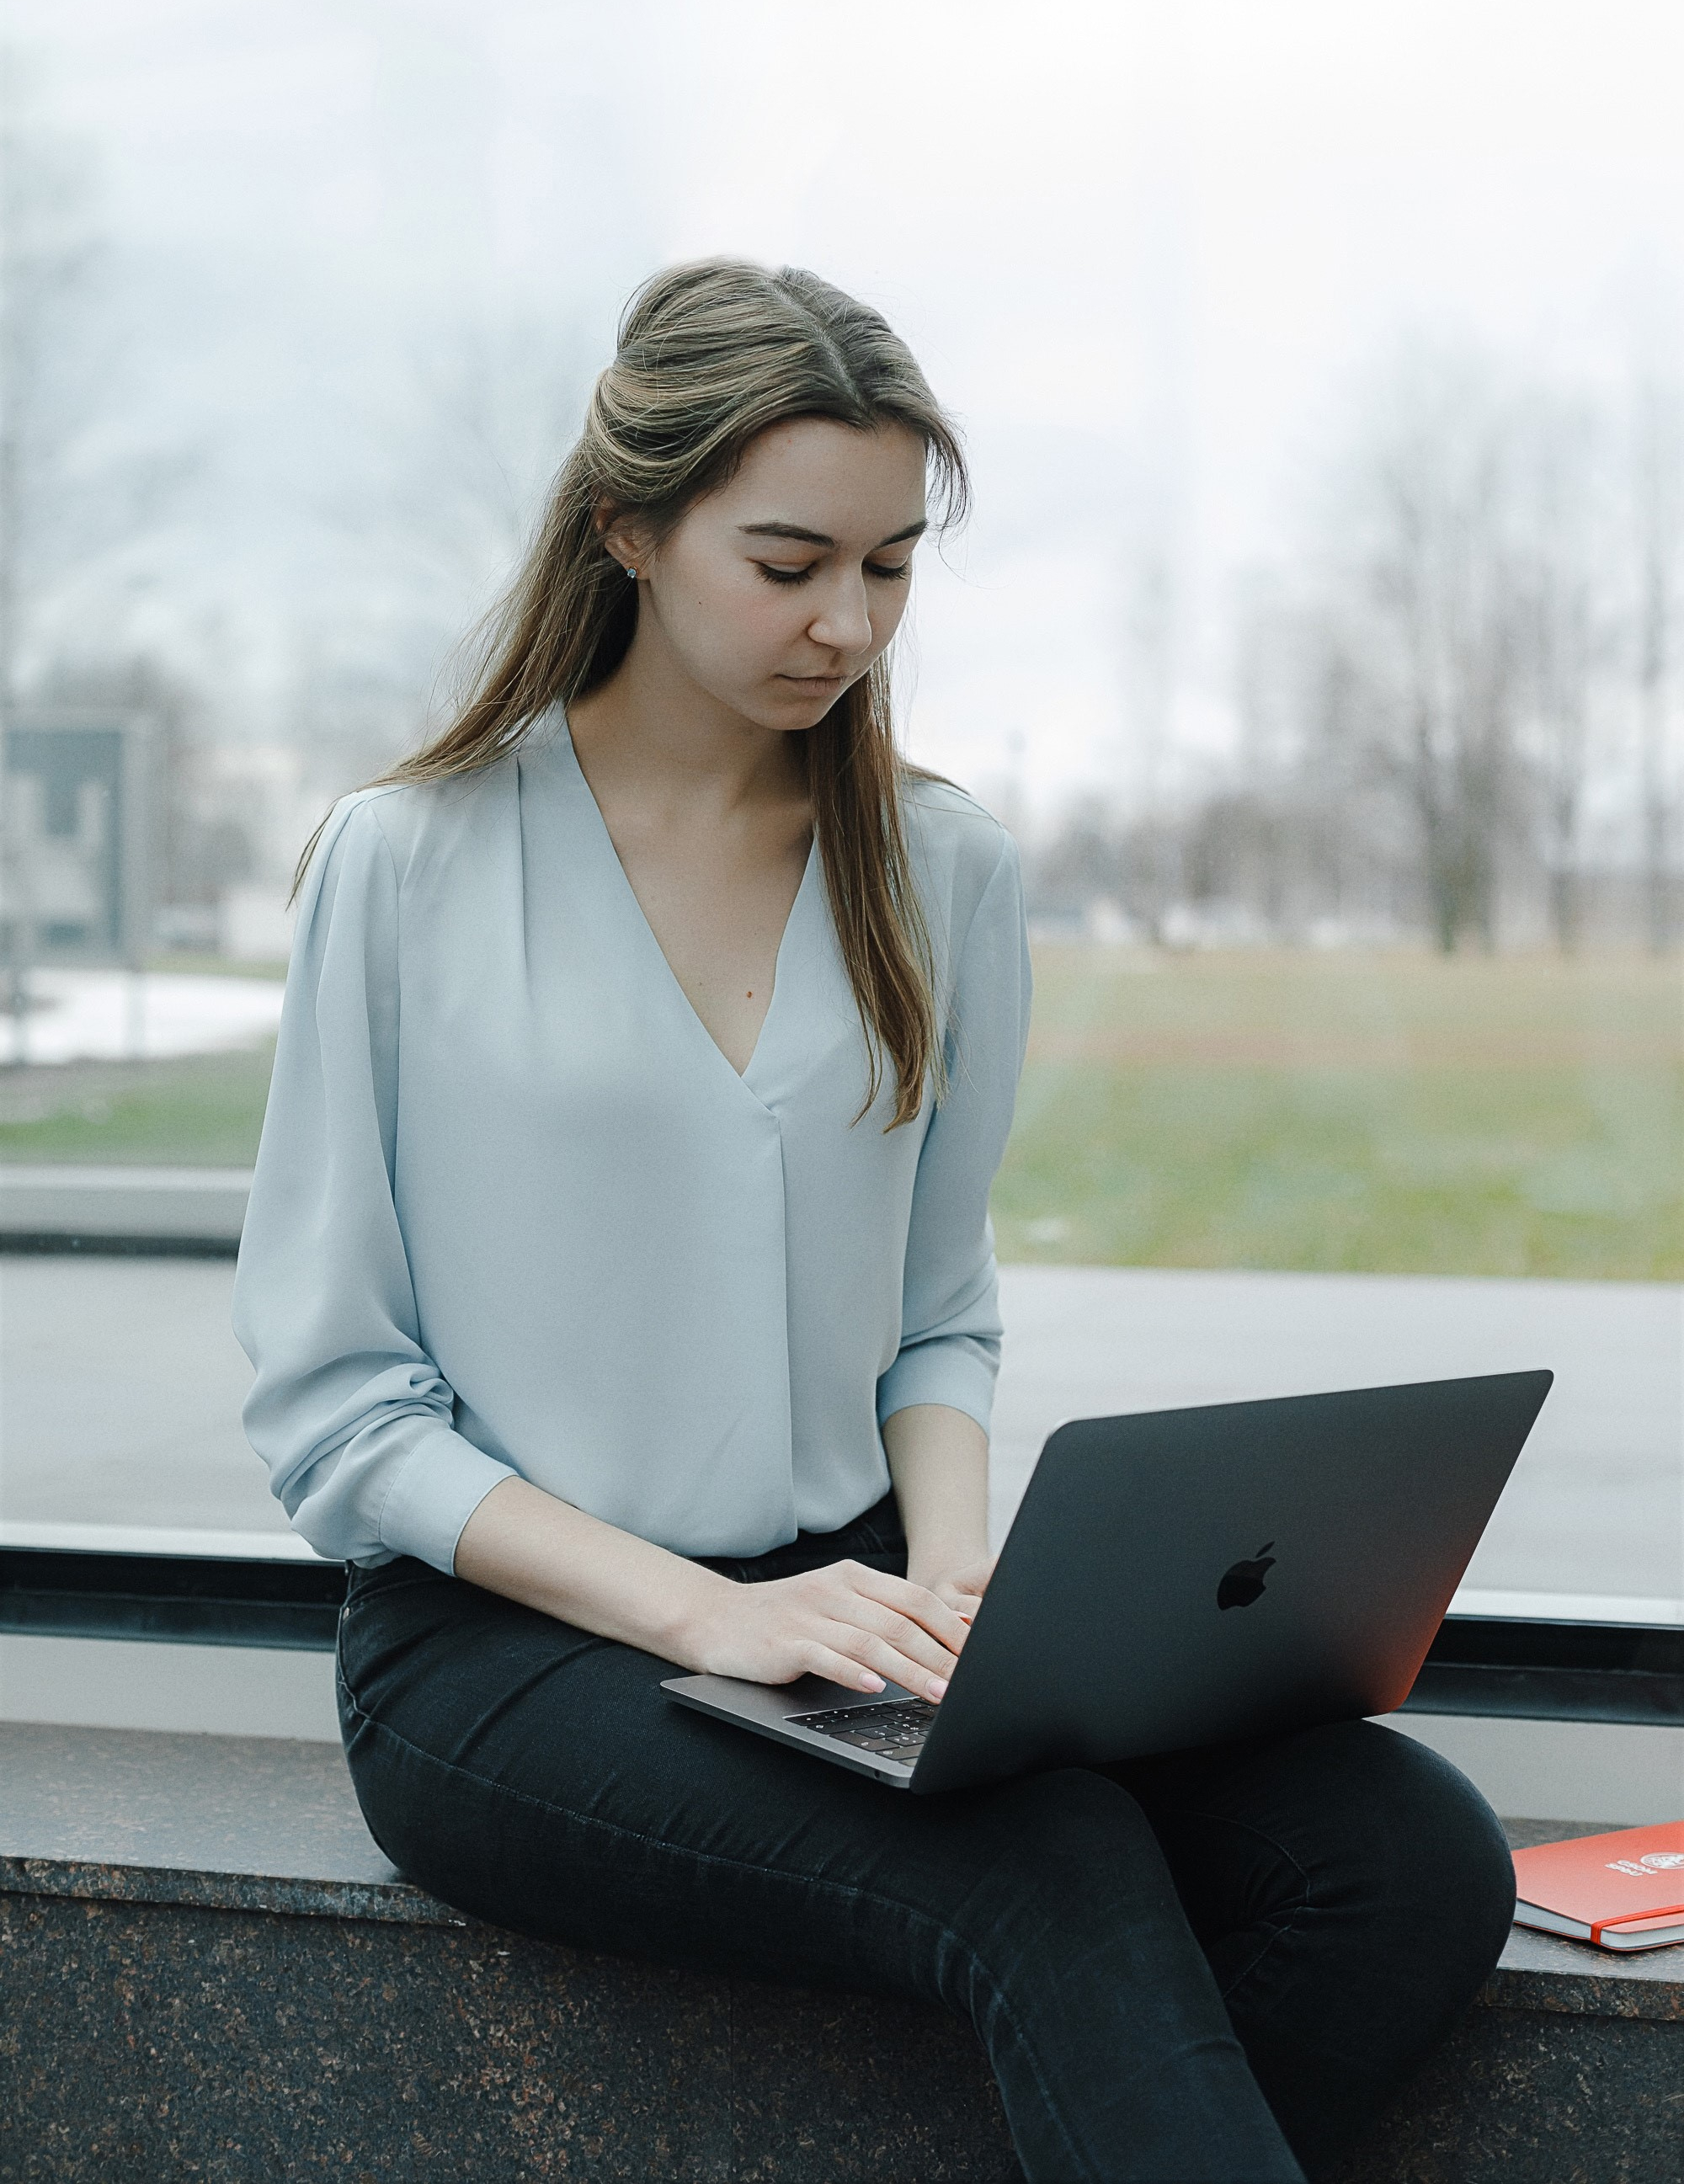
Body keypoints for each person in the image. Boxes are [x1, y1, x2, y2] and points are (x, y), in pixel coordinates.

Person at [233, 259, 1516, 2184]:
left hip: (852, 1608)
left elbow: (935, 1315)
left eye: (892, 565)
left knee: (1407, 1855)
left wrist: (959, 1584)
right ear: (627, 530)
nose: (846, 621)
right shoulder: (407, 863)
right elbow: (338, 1413)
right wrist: (717, 1617)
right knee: (1044, 1865)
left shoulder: (942, 866)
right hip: (502, 1650)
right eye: (788, 561)